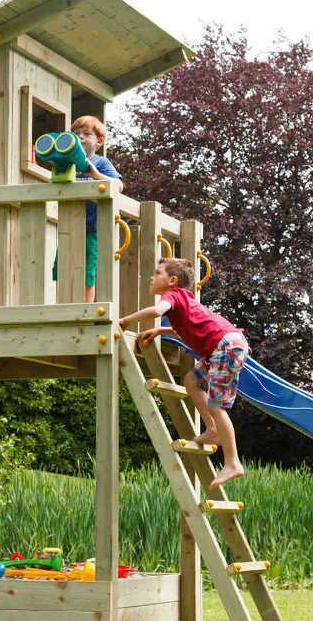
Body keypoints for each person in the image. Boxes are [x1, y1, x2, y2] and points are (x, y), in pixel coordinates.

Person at [119, 258, 249, 491]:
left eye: (157, 273)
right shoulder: (184, 299)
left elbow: (156, 310)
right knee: (191, 380)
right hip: (222, 346)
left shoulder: (172, 296)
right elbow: (191, 326)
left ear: (172, 280)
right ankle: (211, 430)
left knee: (217, 405)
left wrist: (126, 321)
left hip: (225, 346)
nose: (151, 277)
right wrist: (161, 329)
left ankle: (232, 463)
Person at [51, 115, 121, 303]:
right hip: (68, 226)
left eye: (86, 134)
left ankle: (86, 307)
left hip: (92, 227)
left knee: (88, 271)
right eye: (75, 134)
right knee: (63, 268)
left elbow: (118, 186)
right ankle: (64, 306)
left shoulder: (101, 162)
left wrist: (95, 174)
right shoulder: (67, 164)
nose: (80, 137)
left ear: (98, 141)